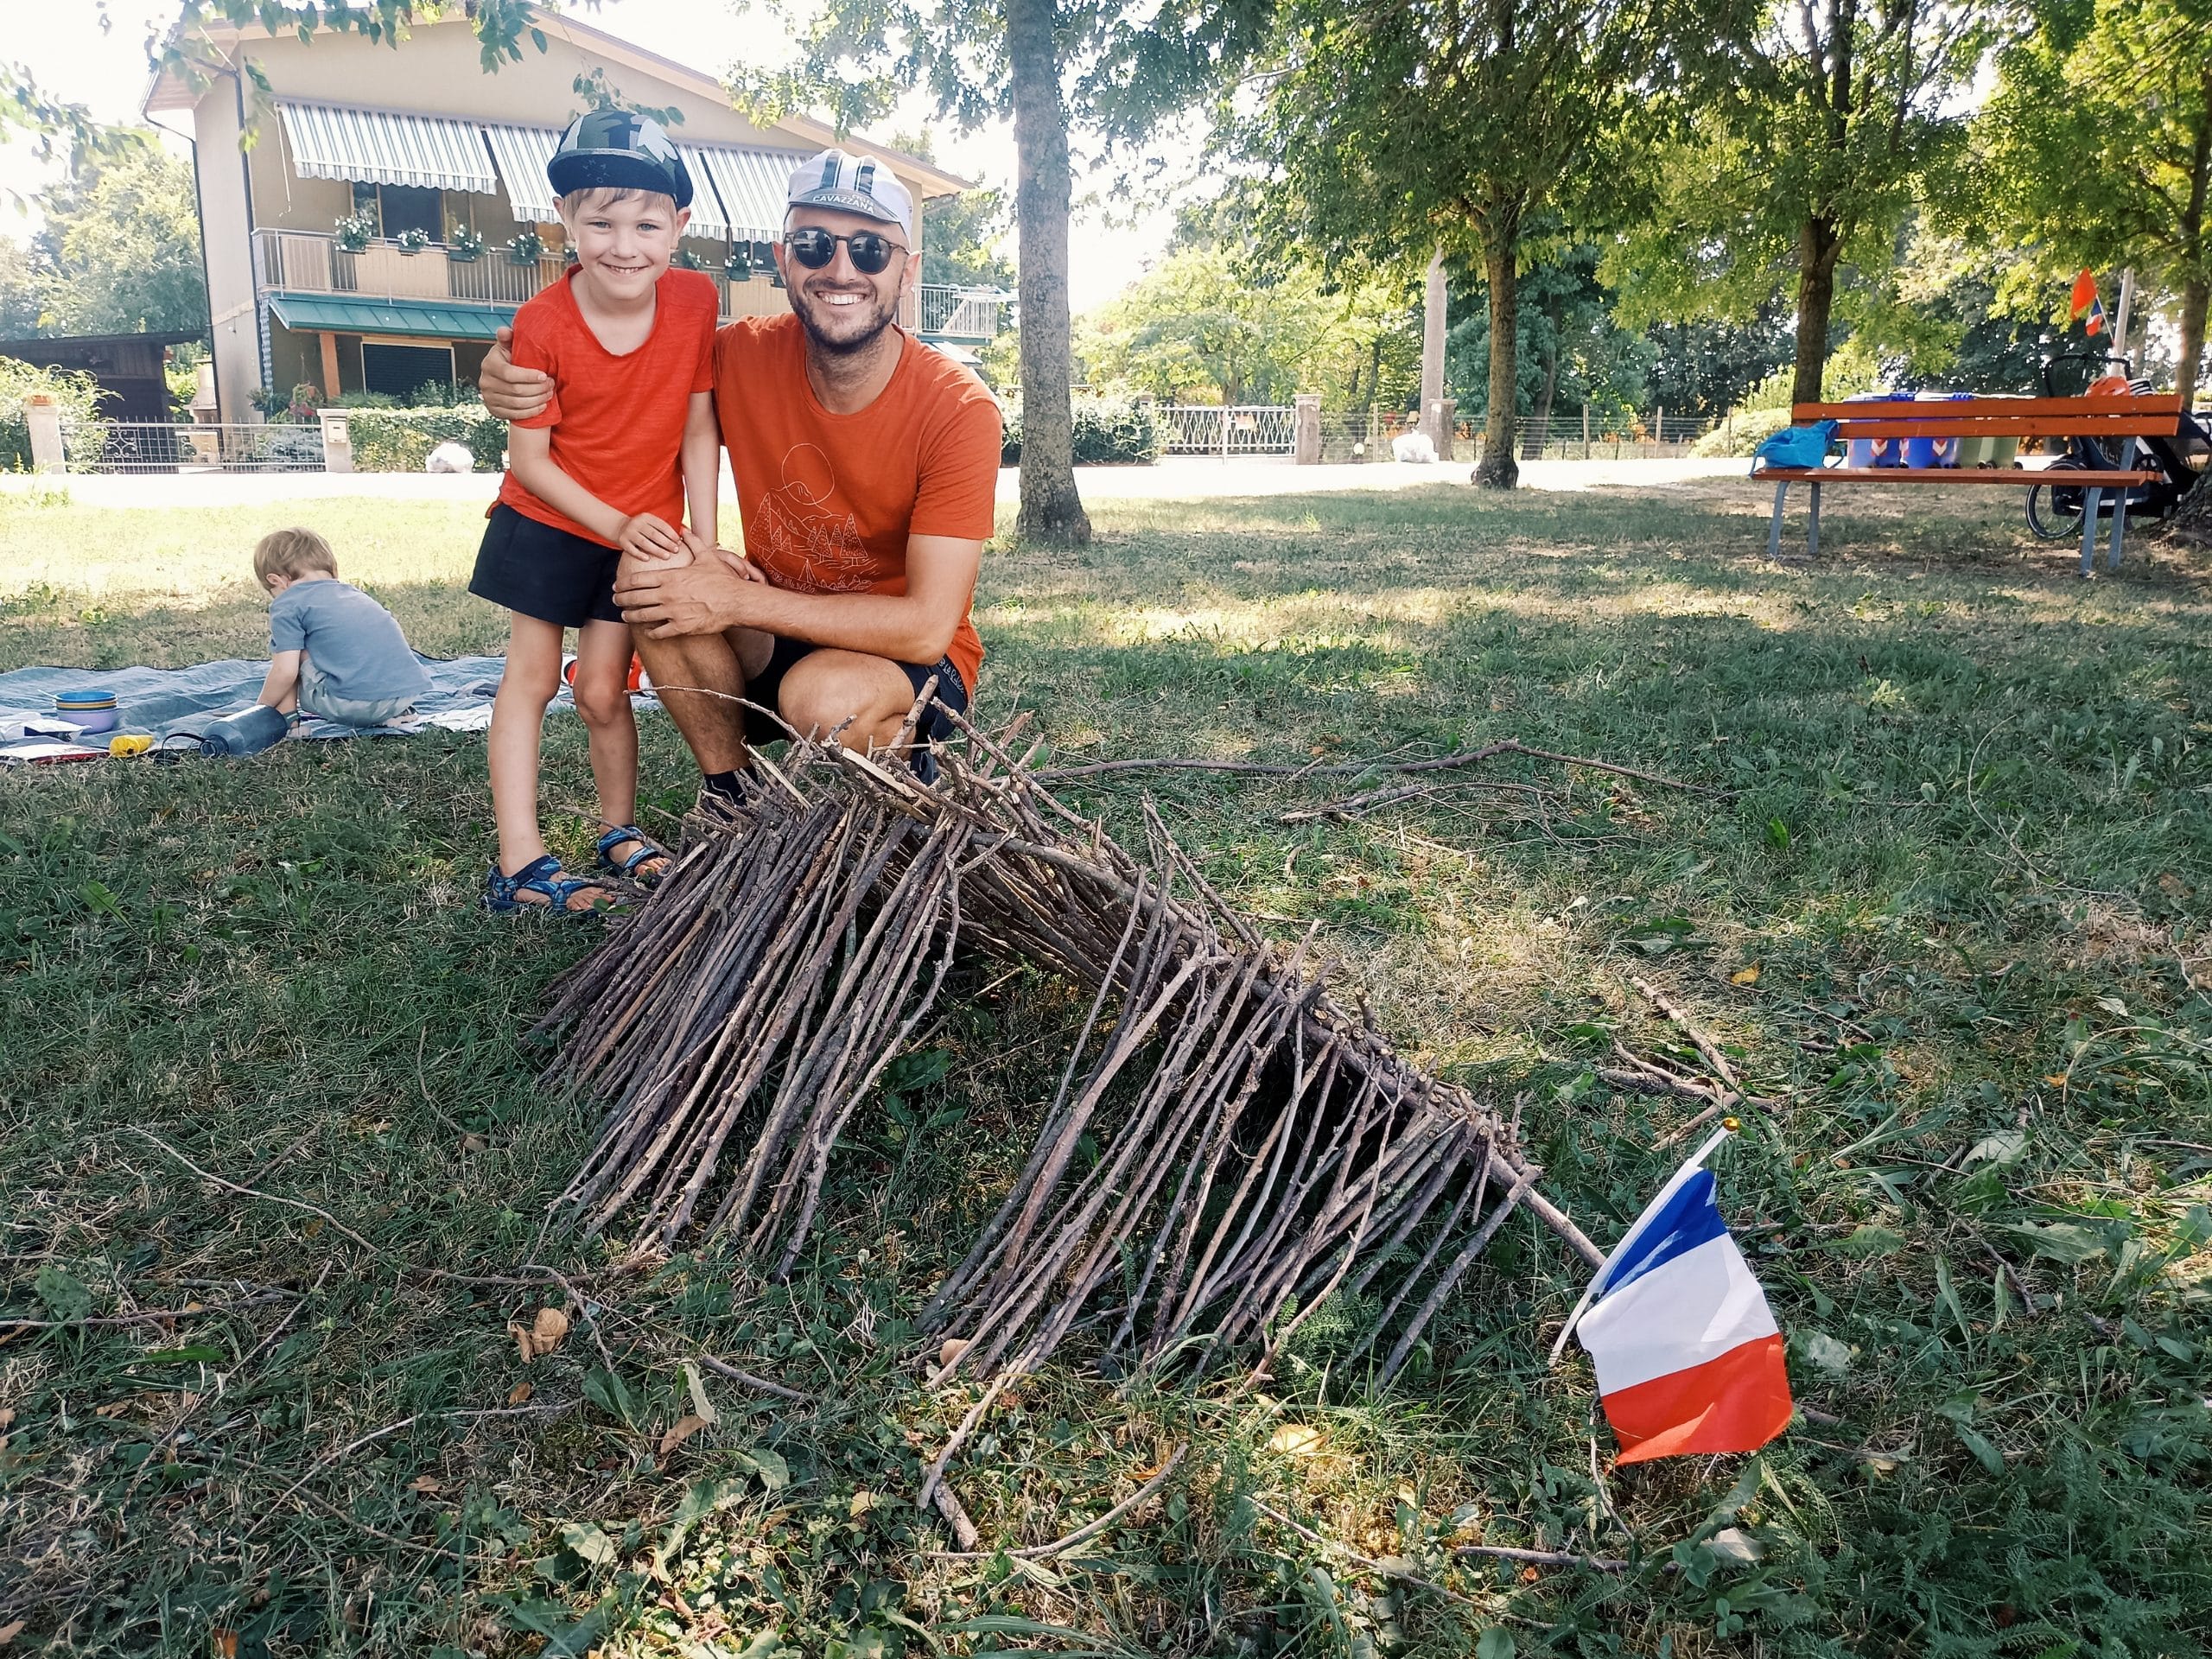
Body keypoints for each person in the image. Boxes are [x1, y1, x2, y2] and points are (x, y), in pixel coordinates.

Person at [479, 147, 1001, 800]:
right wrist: (509, 375)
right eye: (813, 244)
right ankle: (731, 791)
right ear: (783, 259)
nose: (841, 269)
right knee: (648, 576)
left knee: (824, 698)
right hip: (772, 626)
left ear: (908, 270)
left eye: (870, 250)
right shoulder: (740, 353)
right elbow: (613, 367)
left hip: (904, 657)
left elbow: (926, 626)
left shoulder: (958, 408)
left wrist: (732, 599)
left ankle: (907, 756)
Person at [467, 108, 721, 916]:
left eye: (646, 222)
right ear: (566, 220)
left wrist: (708, 544)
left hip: (637, 535)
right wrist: (614, 525)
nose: (623, 243)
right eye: (600, 220)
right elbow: (530, 461)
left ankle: (619, 830)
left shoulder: (693, 302)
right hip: (550, 521)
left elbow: (698, 423)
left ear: (678, 227)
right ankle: (519, 865)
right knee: (533, 682)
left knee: (605, 692)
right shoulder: (542, 323)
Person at [251, 527, 429, 729]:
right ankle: (383, 715)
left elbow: (285, 672)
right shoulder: (353, 594)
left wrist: (261, 708)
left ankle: (287, 719)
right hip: (404, 696)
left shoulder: (288, 604)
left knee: (290, 652)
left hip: (353, 705)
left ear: (277, 581)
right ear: (333, 570)